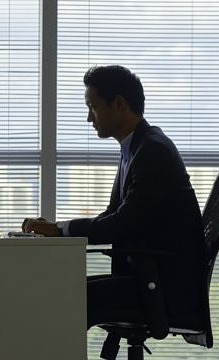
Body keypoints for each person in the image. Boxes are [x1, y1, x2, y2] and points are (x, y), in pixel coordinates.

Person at [23, 65, 205, 330]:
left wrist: (60, 229)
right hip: (148, 277)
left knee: (62, 298)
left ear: (118, 103)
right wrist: (58, 228)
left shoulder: (152, 151)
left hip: (164, 289)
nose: (89, 118)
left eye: (93, 107)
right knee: (63, 291)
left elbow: (123, 225)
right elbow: (112, 214)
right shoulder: (136, 148)